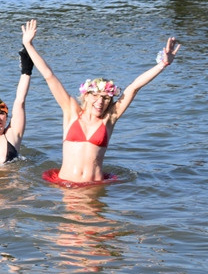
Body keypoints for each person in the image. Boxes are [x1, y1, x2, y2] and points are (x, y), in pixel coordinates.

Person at [21, 19, 180, 184]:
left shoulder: (109, 118)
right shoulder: (71, 111)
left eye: (106, 98)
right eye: (96, 96)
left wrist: (163, 64)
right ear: (86, 95)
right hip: (66, 184)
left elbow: (133, 88)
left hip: (94, 187)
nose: (100, 101)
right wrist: (28, 44)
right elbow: (49, 75)